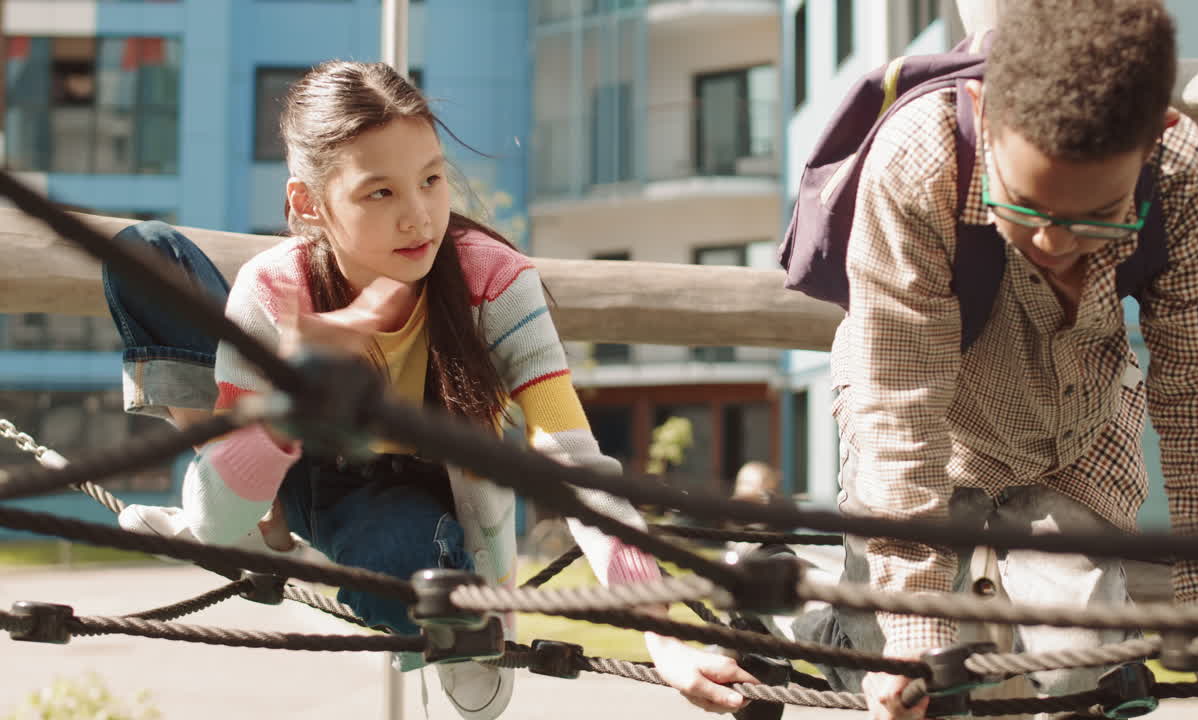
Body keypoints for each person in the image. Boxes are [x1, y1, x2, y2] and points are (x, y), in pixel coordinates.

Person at [101, 60, 756, 719]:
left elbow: (575, 462)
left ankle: (453, 620)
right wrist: (291, 405)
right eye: (379, 193)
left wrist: (662, 629)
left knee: (417, 577)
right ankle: (261, 532)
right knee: (146, 253)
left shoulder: (492, 283)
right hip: (296, 466)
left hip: (416, 493)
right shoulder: (274, 292)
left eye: (432, 179)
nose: (419, 216)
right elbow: (216, 510)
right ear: (308, 204)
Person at [786, 2, 1198, 719]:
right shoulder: (921, 162)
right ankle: (784, 593)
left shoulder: (1183, 173)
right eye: (1028, 206)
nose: (1053, 244)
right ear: (985, 111)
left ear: (1156, 141)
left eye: (1094, 218)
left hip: (1080, 427)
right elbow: (899, 411)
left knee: (1084, 659)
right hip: (934, 418)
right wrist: (914, 638)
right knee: (880, 656)